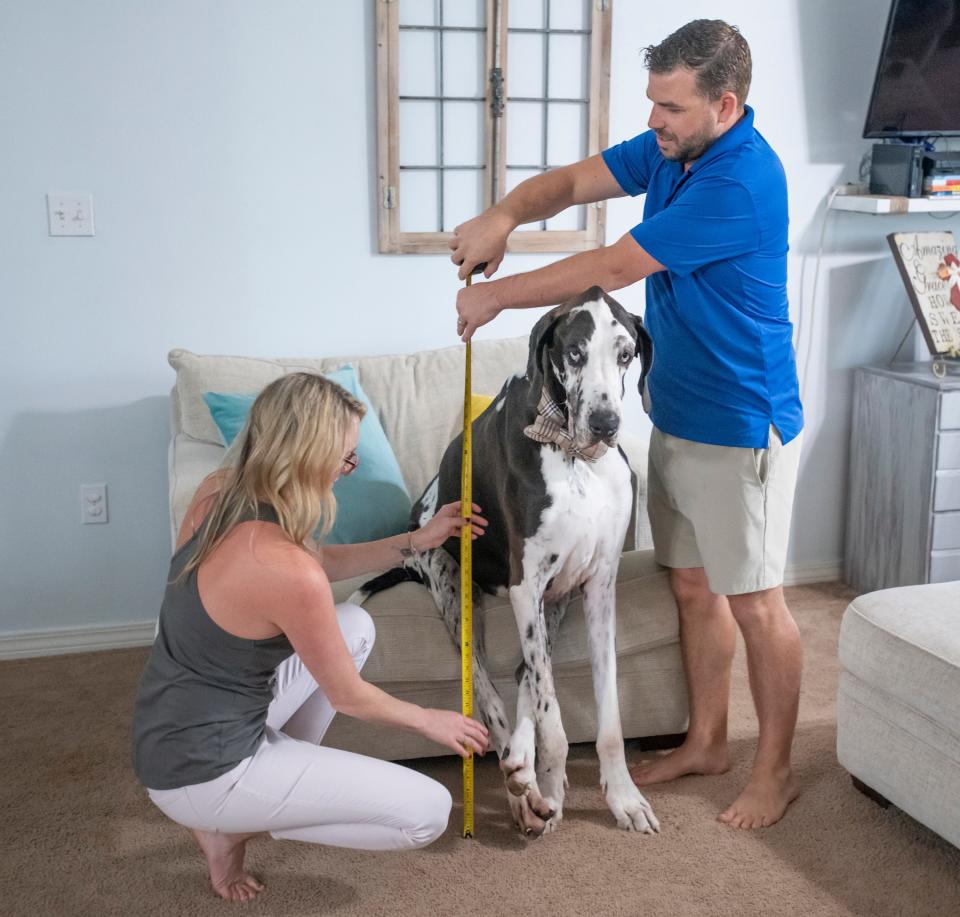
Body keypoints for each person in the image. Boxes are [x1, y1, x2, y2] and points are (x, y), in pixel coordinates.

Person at [448, 19, 803, 830]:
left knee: (759, 604)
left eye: (669, 108)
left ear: (725, 103)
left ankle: (774, 770)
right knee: (690, 585)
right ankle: (707, 741)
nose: (654, 122)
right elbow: (574, 184)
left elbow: (613, 269)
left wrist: (496, 295)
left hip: (742, 425)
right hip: (675, 412)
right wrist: (504, 214)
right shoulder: (676, 150)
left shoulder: (740, 181)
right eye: (652, 103)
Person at [131, 372, 489, 902]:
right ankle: (230, 824)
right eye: (347, 456)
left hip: (163, 733)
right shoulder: (285, 570)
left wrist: (419, 539)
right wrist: (431, 720)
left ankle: (265, 786)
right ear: (306, 455)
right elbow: (349, 695)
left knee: (356, 625)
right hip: (203, 770)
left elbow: (321, 562)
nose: (351, 468)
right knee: (427, 813)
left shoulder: (220, 493)